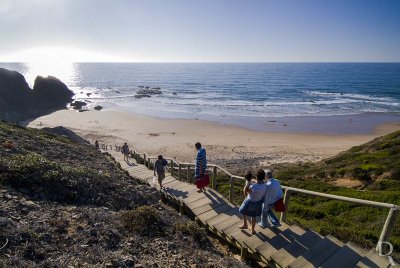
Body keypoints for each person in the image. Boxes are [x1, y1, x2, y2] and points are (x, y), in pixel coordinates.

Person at [239, 169, 267, 234]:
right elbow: (259, 185)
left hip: (250, 201)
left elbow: (246, 190)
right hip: (258, 202)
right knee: (253, 216)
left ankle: (245, 224)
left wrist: (248, 183)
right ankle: (252, 229)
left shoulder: (253, 186)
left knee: (242, 211)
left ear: (256, 177)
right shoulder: (265, 183)